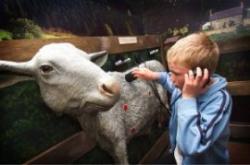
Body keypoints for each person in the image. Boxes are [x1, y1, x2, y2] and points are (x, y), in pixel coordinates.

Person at [132, 32, 232, 164]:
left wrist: (188, 98)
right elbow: (168, 80)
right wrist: (154, 75)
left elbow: (191, 147)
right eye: (170, 71)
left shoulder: (219, 101)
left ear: (197, 76)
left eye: (175, 73)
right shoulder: (182, 86)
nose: (171, 78)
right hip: (180, 157)